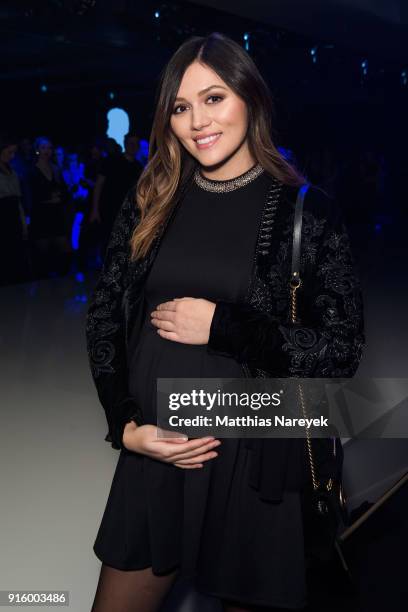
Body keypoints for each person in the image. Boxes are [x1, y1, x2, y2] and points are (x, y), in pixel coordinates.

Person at [86, 32, 365, 612]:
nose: (196, 121)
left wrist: (223, 327)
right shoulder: (153, 197)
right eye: (181, 107)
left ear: (250, 98)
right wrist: (128, 425)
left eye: (214, 98)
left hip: (254, 455)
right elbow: (106, 315)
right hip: (159, 451)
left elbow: (341, 350)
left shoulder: (306, 212)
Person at [89, 132, 143, 259]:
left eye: (136, 144)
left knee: (125, 245)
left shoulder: (138, 166)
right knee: (108, 243)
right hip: (109, 210)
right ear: (125, 144)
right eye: (131, 143)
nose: (133, 146)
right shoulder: (111, 160)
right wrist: (95, 209)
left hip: (129, 213)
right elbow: (98, 185)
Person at [30, 136, 73, 278]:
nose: (47, 151)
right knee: (43, 254)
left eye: (49, 148)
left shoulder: (55, 169)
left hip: (56, 215)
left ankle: (61, 289)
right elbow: (30, 196)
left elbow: (65, 192)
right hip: (41, 215)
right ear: (37, 150)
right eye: (43, 148)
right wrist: (48, 199)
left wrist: (60, 197)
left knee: (64, 250)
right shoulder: (32, 170)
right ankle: (43, 291)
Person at [0, 134, 30, 285]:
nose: (12, 156)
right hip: (2, 217)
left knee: (16, 260)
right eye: (8, 152)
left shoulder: (13, 172)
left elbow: (18, 201)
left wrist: (23, 224)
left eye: (13, 153)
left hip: (13, 216)